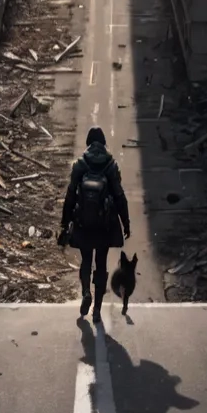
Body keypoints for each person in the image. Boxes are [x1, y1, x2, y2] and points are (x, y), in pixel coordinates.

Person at [60, 126, 130, 321]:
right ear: (104, 142)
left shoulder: (80, 165)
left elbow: (70, 197)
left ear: (88, 143)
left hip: (83, 222)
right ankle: (97, 308)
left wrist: (64, 224)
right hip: (105, 225)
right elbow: (119, 196)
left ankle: (85, 293)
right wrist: (126, 223)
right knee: (101, 263)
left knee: (86, 261)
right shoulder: (111, 165)